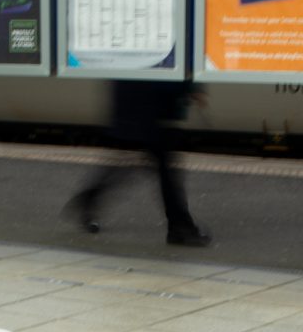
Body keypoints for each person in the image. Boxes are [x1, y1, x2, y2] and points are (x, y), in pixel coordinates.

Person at [66, 79, 211, 247]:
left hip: (142, 106)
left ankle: (89, 199)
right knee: (164, 170)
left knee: (144, 166)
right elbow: (165, 74)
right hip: (148, 107)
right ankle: (180, 228)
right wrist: (189, 87)